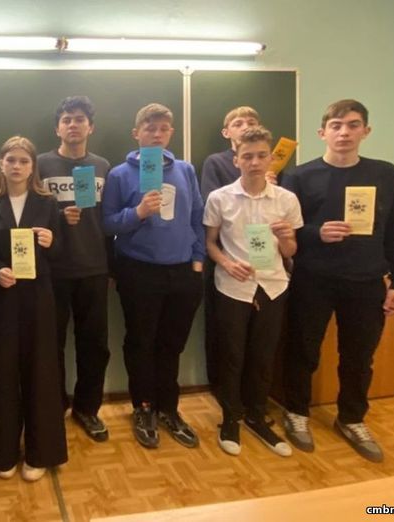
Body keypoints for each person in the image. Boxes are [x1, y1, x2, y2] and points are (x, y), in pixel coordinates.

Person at [281, 99, 394, 463]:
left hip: (366, 281)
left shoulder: (387, 174)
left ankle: (352, 418)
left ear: (365, 131)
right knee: (302, 351)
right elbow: (286, 230)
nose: (344, 133)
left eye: (353, 125)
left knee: (359, 357)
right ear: (322, 132)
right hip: (312, 280)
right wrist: (316, 232)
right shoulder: (299, 177)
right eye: (336, 126)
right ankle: (296, 412)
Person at [102, 103, 205, 450]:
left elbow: (197, 216)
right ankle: (143, 407)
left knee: (171, 345)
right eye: (150, 128)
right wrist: (139, 212)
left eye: (163, 128)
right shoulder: (119, 175)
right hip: (139, 271)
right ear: (137, 134)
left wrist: (197, 259)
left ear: (170, 133)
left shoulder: (186, 170)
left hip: (183, 272)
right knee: (141, 343)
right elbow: (108, 223)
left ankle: (169, 409)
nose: (157, 134)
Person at [203, 126, 302, 457]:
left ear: (271, 157)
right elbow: (210, 243)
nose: (255, 162)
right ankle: (231, 419)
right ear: (236, 160)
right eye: (247, 156)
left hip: (272, 286)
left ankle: (258, 417)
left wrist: (286, 238)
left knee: (263, 356)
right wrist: (226, 263)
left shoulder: (286, 199)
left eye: (261, 156)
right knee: (232, 356)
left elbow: (290, 252)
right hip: (233, 286)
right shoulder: (220, 198)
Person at [0, 136, 67, 482]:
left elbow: (59, 254)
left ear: (33, 167)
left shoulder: (48, 203)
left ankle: (40, 452)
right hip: (2, 300)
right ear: (1, 163)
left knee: (40, 372)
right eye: (11, 160)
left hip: (38, 298)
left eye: (23, 161)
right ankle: (2, 451)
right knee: (1, 372)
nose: (16, 166)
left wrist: (52, 242)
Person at [37, 96, 112, 442]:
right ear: (57, 128)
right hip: (53, 270)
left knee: (94, 345)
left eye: (79, 119)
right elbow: (30, 212)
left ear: (90, 127)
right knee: (51, 345)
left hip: (94, 268)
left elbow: (108, 218)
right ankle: (54, 405)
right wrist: (57, 217)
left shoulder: (102, 166)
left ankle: (87, 408)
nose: (73, 125)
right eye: (66, 119)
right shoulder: (40, 164)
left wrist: (112, 267)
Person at [200, 107, 261, 389]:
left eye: (251, 122)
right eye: (238, 123)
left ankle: (253, 396)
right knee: (225, 334)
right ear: (226, 132)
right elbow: (210, 206)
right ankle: (225, 393)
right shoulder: (216, 162)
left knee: (258, 337)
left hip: (261, 260)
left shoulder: (271, 165)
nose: (245, 126)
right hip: (224, 258)